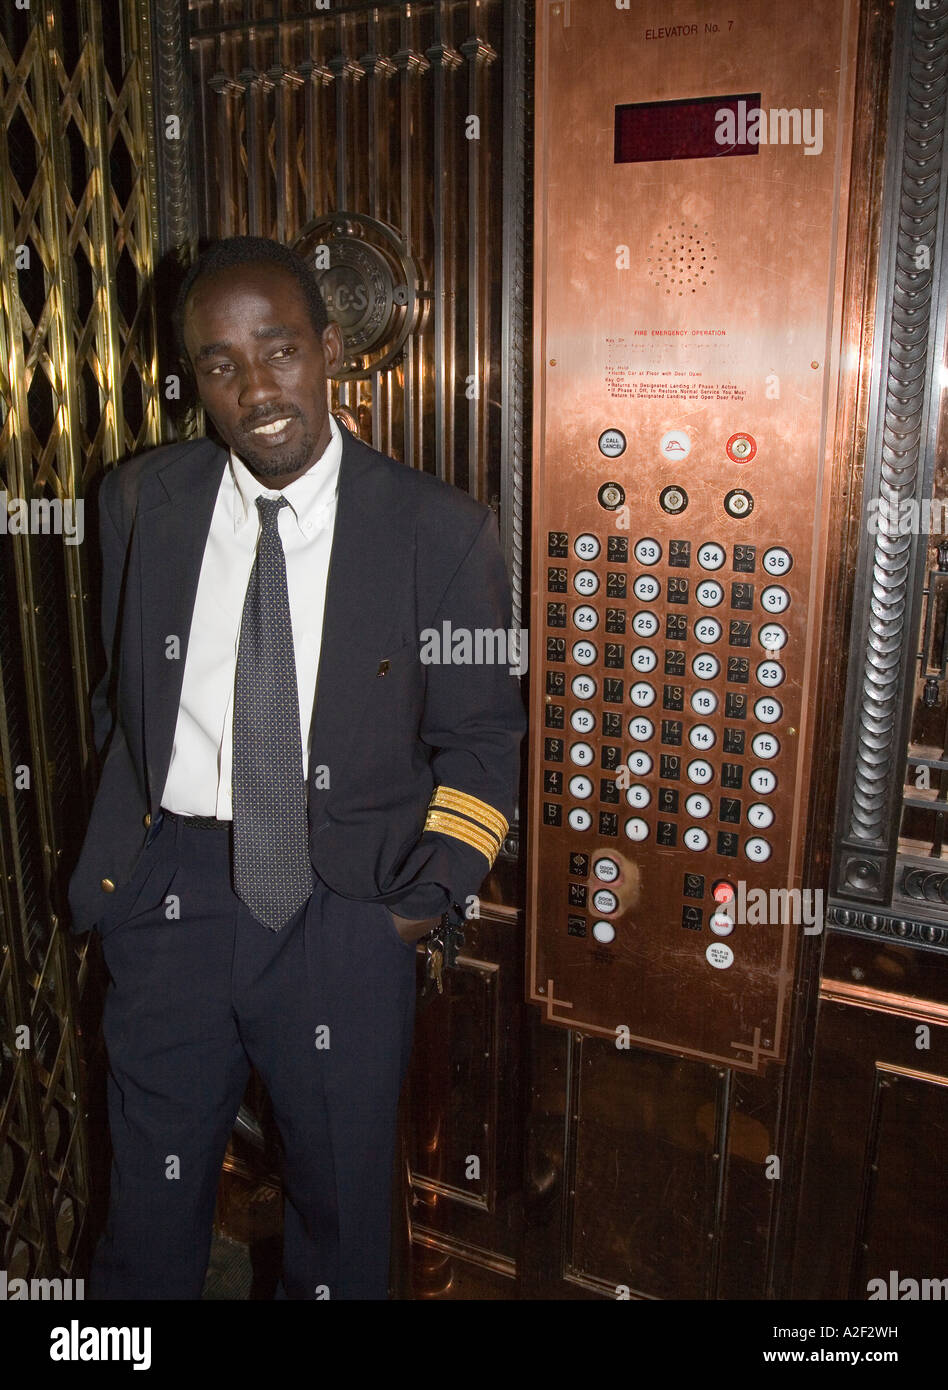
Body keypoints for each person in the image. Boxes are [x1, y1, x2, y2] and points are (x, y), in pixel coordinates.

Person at [67, 235, 526, 1300]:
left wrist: (413, 908)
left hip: (341, 909)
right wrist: (131, 871)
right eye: (220, 363)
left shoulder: (437, 531)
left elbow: (485, 745)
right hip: (170, 903)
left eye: (277, 350)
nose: (254, 387)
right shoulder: (140, 503)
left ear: (328, 350)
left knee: (343, 1227)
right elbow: (118, 700)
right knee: (144, 1212)